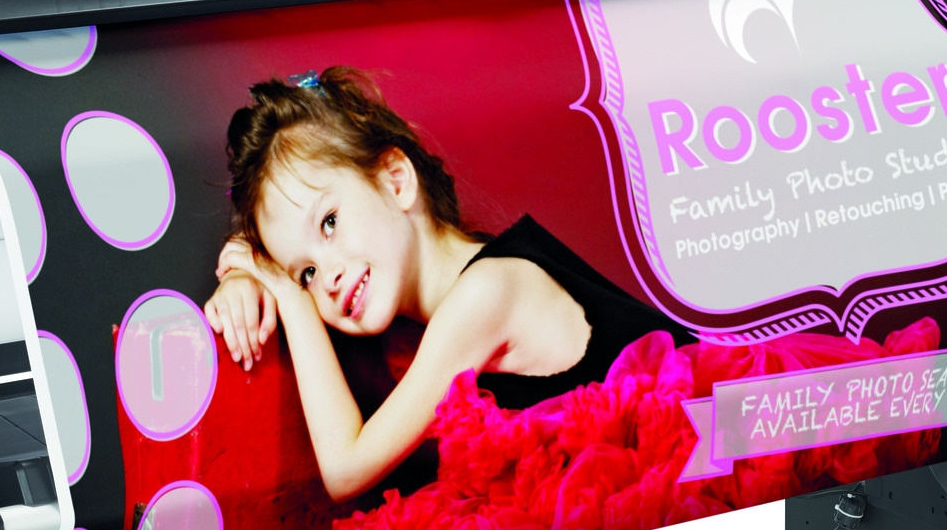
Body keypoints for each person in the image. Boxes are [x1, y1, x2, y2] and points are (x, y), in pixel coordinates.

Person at [204, 67, 684, 502]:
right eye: (305, 272)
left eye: (329, 222)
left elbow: (344, 468)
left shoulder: (486, 293)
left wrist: (288, 293)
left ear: (395, 181)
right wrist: (248, 274)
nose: (326, 278)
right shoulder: (436, 318)